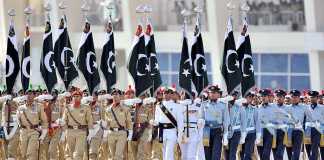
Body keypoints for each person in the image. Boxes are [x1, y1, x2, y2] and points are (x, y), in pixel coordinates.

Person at [62, 90, 94, 160]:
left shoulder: (86, 107)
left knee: (78, 154)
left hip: (81, 132)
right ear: (72, 98)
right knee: (70, 153)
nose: (75, 98)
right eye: (74, 96)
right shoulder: (68, 107)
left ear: (81, 97)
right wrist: (63, 131)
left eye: (77, 96)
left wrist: (91, 132)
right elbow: (64, 120)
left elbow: (89, 120)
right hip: (70, 131)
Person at [153, 88, 184, 160]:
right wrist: (154, 122)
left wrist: (180, 134)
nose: (166, 94)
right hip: (161, 131)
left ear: (172, 94)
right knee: (163, 152)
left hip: (172, 131)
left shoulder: (177, 106)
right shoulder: (158, 105)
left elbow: (180, 121)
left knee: (169, 152)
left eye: (168, 93)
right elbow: (157, 120)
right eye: (165, 93)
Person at [17, 89, 48, 160]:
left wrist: (43, 133)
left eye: (31, 94)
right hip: (24, 131)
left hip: (34, 131)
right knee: (23, 153)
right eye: (27, 94)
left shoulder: (39, 106)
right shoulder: (21, 107)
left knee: (31, 153)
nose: (28, 95)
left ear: (34, 96)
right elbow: (18, 121)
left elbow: (44, 120)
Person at [201, 85, 229, 160]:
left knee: (216, 153)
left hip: (217, 130)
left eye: (214, 92)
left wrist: (226, 134)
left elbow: (226, 120)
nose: (212, 94)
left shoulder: (223, 105)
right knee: (207, 153)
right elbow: (201, 117)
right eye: (211, 93)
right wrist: (200, 121)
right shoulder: (204, 104)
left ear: (218, 94)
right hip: (206, 131)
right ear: (209, 94)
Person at [104, 89, 132, 160]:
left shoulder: (125, 108)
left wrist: (130, 132)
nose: (115, 96)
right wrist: (105, 132)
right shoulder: (108, 109)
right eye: (114, 94)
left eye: (117, 94)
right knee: (112, 155)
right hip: (111, 133)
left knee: (118, 155)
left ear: (120, 96)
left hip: (121, 133)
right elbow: (107, 122)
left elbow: (129, 121)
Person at [285, 90, 311, 160]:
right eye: (292, 97)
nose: (294, 98)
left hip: (298, 131)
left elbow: (310, 117)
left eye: (296, 97)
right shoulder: (286, 107)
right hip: (288, 132)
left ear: (299, 98)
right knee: (289, 153)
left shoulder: (304, 107)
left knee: (296, 152)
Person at [225, 91, 247, 160]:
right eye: (232, 95)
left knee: (232, 152)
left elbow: (243, 121)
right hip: (225, 132)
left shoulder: (240, 106)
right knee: (226, 153)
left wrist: (243, 134)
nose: (233, 97)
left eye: (235, 96)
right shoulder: (225, 105)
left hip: (236, 131)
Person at [240, 91, 261, 160]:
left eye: (251, 97)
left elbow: (257, 122)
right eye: (248, 97)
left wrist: (258, 134)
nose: (250, 99)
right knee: (240, 153)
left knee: (248, 154)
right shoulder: (238, 108)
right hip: (239, 133)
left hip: (251, 134)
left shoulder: (254, 109)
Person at [305, 91, 324, 160]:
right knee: (308, 148)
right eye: (311, 97)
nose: (312, 99)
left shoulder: (322, 108)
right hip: (307, 130)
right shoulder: (305, 108)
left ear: (317, 98)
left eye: (314, 97)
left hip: (318, 129)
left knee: (314, 147)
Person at [1, 94, 20, 159]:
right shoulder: (3, 102)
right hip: (4, 127)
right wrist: (5, 98)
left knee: (12, 150)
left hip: (14, 128)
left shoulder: (17, 102)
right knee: (5, 149)